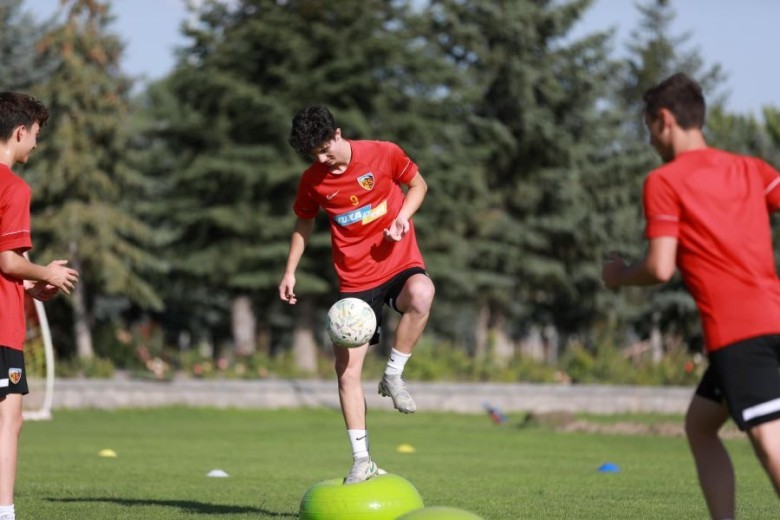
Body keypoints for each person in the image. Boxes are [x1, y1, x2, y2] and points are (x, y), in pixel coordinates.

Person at [602, 73, 780, 519]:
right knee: (700, 425)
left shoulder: (664, 181)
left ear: (664, 120)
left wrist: (619, 275)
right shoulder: (751, 168)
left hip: (739, 332)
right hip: (771, 318)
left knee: (768, 439)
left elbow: (660, 267)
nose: (650, 142)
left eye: (649, 130)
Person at [279, 105, 435, 484]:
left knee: (422, 293)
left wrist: (402, 217)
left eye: (324, 149)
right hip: (355, 281)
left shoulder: (383, 153)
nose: (322, 159)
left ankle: (393, 376)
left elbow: (418, 186)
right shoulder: (312, 181)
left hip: (398, 262)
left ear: (337, 134)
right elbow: (303, 222)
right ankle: (361, 459)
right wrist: (290, 270)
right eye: (313, 155)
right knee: (347, 372)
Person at [0, 92, 80, 520]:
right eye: (35, 134)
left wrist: (31, 284)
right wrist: (46, 273)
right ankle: (4, 512)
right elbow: (8, 261)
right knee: (9, 420)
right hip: (1, 327)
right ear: (19, 132)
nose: (36, 143)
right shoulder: (13, 186)